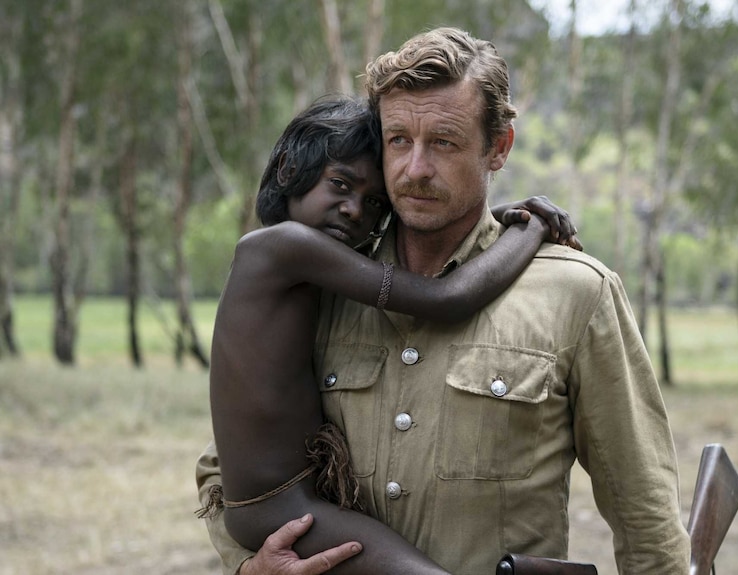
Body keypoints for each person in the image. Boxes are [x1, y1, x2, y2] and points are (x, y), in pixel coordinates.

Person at [198, 27, 690, 575]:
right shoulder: (317, 287)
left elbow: (645, 514)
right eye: (399, 141)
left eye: (445, 142)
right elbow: (227, 467)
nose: (415, 170)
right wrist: (249, 567)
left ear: (497, 148)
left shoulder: (577, 292)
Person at [200, 94, 578, 574]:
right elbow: (447, 299)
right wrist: (529, 229)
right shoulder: (284, 247)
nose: (355, 210)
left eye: (374, 202)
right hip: (283, 508)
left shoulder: (301, 267)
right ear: (288, 171)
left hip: (290, 502)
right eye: (340, 184)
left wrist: (489, 221)